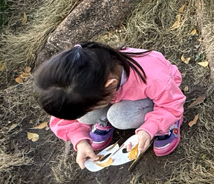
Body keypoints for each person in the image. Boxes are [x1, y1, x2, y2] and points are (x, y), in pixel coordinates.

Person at [36, 42, 185, 169]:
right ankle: (104, 119)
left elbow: (171, 104)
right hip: (113, 95)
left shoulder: (152, 76)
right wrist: (80, 140)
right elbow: (65, 114)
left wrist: (150, 128)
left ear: (110, 85)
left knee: (119, 117)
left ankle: (168, 124)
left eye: (94, 105)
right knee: (85, 116)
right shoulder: (74, 85)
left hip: (163, 98)